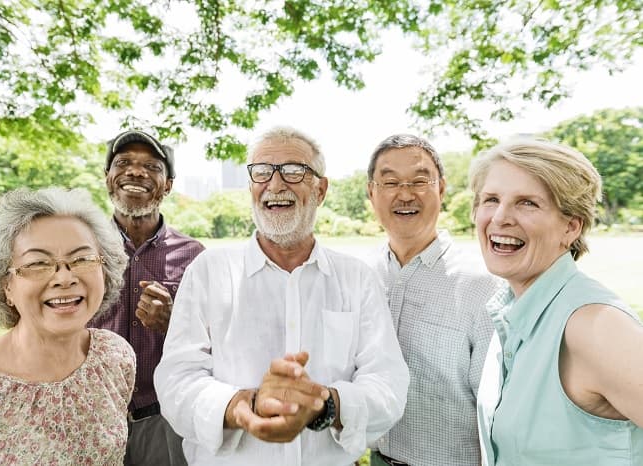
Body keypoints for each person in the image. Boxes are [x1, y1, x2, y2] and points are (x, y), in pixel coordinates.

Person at [154, 126, 409, 466]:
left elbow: (388, 383)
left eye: (294, 170)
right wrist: (243, 406)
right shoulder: (209, 271)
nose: (275, 184)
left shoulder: (356, 278)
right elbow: (176, 381)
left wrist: (325, 404)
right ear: (250, 187)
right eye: (262, 172)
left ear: (320, 189)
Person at [470, 139, 643, 465]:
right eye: (491, 199)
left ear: (571, 226)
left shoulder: (594, 325)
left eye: (528, 203)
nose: (501, 217)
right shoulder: (510, 314)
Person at [0, 187, 135, 464]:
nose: (64, 278)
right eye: (38, 263)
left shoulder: (114, 356)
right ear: (6, 285)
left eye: (81, 259)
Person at [365, 134, 502, 466]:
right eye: (390, 182)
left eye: (419, 180)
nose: (405, 193)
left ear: (441, 189)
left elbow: (496, 409)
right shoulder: (363, 277)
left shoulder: (482, 284)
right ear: (371, 193)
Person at [89, 129, 205, 466]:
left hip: (164, 418)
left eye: (152, 167)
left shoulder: (195, 255)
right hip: (93, 413)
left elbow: (218, 344)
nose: (136, 172)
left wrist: (174, 323)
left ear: (168, 184)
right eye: (123, 163)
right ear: (108, 178)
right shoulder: (81, 248)